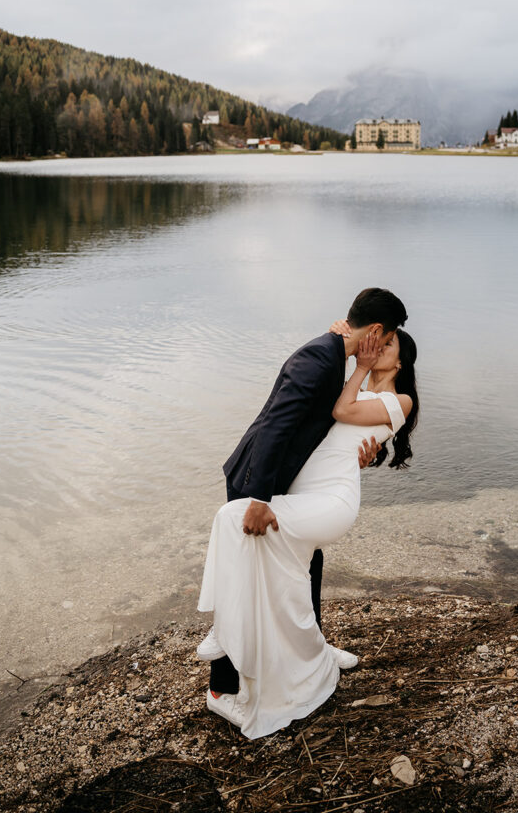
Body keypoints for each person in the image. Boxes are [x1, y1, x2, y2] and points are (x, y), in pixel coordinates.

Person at [196, 290, 418, 738]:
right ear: (375, 332)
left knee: (302, 574)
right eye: (386, 336)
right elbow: (280, 424)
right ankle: (225, 671)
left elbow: (340, 430)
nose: (384, 345)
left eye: (390, 344)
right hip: (263, 480)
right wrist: (259, 497)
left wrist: (369, 455)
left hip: (305, 491)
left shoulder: (349, 369)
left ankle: (309, 650)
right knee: (256, 558)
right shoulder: (324, 358)